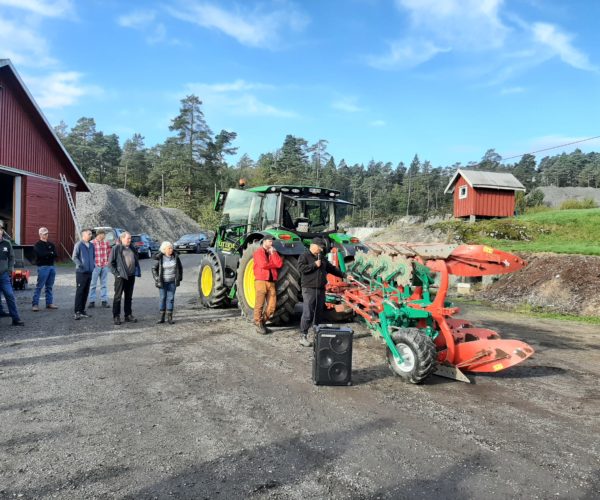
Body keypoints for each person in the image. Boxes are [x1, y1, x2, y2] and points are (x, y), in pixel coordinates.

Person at [297, 237, 344, 347]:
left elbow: (331, 269)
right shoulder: (304, 256)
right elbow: (301, 269)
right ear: (313, 245)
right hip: (309, 289)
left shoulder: (321, 257)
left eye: (322, 248)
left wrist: (345, 275)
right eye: (320, 248)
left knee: (318, 314)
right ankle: (303, 336)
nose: (321, 250)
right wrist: (314, 265)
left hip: (320, 289)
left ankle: (317, 335)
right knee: (308, 313)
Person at [252, 235, 283, 334]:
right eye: (269, 241)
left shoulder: (272, 252)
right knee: (259, 304)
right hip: (261, 281)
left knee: (272, 306)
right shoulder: (258, 252)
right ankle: (258, 323)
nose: (271, 243)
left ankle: (262, 322)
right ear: (264, 242)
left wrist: (273, 253)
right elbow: (263, 265)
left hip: (271, 282)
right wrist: (272, 264)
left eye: (271, 242)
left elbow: (279, 264)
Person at [109, 231, 141, 326]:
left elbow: (136, 258)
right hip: (121, 277)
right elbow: (110, 263)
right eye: (128, 238)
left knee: (129, 297)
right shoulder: (116, 248)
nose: (129, 240)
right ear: (122, 239)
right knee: (118, 297)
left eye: (130, 238)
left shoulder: (132, 247)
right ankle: (116, 316)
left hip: (131, 276)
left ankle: (128, 315)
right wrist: (117, 274)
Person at [151, 241, 183, 325]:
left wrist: (179, 277)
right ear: (164, 249)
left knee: (171, 299)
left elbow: (180, 267)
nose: (171, 249)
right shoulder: (160, 258)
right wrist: (157, 278)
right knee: (163, 298)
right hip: (163, 282)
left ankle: (170, 318)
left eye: (171, 248)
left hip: (172, 281)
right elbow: (153, 268)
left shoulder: (175, 257)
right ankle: (162, 318)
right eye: (169, 248)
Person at [0, 222, 24, 326]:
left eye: (0, 229)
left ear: (2, 231)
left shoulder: (7, 243)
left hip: (4, 275)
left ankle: (16, 319)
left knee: (10, 295)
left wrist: (9, 270)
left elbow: (11, 257)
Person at [32, 227, 58, 311]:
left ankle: (49, 303)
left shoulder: (51, 244)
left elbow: (55, 255)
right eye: (44, 234)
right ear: (40, 234)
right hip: (43, 267)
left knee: (49, 286)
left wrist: (48, 254)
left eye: (47, 233)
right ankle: (35, 304)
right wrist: (50, 253)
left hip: (51, 267)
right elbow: (41, 255)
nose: (46, 235)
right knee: (39, 286)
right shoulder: (37, 245)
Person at [72, 228, 95, 320]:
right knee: (80, 291)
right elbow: (74, 257)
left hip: (89, 272)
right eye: (89, 234)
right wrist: (81, 265)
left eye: (90, 234)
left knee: (86, 292)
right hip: (81, 272)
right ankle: (77, 312)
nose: (90, 235)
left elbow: (93, 256)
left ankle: (82, 310)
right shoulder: (79, 244)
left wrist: (92, 266)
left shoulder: (91, 245)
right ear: (83, 235)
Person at [88, 229, 111, 308]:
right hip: (95, 266)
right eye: (104, 234)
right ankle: (92, 301)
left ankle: (104, 301)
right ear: (100, 234)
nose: (105, 236)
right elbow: (89, 255)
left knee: (103, 284)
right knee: (93, 284)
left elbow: (109, 253)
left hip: (104, 266)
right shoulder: (91, 243)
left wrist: (107, 262)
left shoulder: (106, 243)